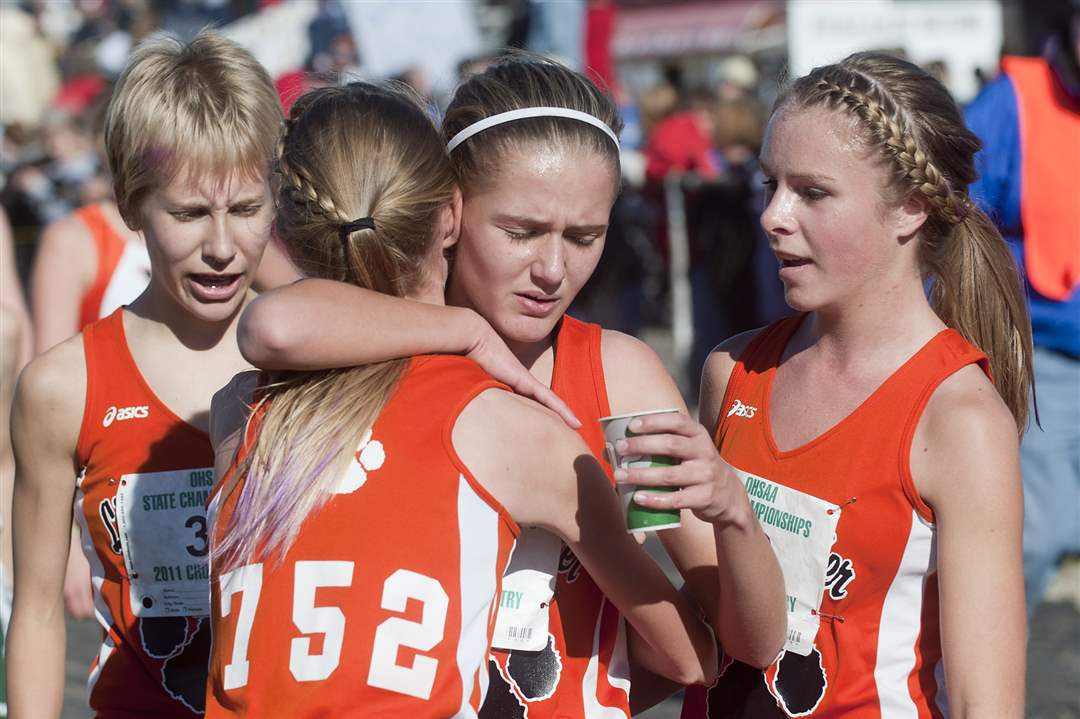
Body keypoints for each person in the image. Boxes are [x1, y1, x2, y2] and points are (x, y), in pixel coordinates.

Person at [237, 52, 785, 718]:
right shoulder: (370, 343)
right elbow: (274, 323)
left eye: (585, 235)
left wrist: (733, 514)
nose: (552, 268)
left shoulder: (616, 378)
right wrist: (462, 333)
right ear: (450, 211)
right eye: (521, 232)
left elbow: (719, 637)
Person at [630, 52, 1031, 717]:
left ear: (910, 207)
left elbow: (986, 702)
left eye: (812, 192)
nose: (773, 216)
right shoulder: (731, 371)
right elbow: (709, 631)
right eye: (769, 185)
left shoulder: (957, 417)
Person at [6, 31, 282, 717]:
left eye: (246, 210)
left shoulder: (315, 361)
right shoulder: (62, 386)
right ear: (130, 206)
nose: (221, 246)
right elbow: (37, 613)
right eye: (188, 213)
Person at [965, 12, 1080, 615]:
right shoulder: (1011, 102)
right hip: (1047, 355)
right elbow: (956, 210)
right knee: (1042, 534)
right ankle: (985, 670)